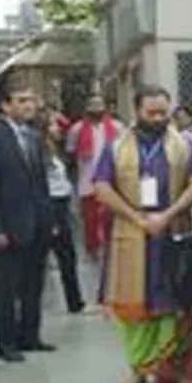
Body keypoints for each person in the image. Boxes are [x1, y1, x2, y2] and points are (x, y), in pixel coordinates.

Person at [92, 86, 192, 383]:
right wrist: (138, 218)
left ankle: (177, 370)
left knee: (177, 306)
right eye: (151, 113)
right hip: (131, 235)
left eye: (163, 112)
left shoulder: (186, 144)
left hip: (172, 233)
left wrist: (167, 215)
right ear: (137, 112)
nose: (158, 118)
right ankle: (138, 371)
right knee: (134, 309)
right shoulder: (115, 147)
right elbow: (101, 186)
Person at [0, 83, 54, 363]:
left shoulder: (34, 136)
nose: (28, 106)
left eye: (31, 100)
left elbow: (41, 182)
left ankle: (30, 336)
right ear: (6, 106)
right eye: (21, 101)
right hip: (7, 225)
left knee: (34, 283)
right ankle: (5, 342)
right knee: (7, 287)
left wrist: (50, 220)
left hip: (37, 222)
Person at [66, 94, 124, 262]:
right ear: (87, 108)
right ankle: (92, 250)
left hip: (112, 181)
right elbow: (70, 153)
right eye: (93, 105)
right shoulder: (76, 130)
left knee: (111, 217)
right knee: (90, 220)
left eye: (99, 105)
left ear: (105, 107)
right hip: (87, 180)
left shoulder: (117, 127)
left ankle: (112, 248)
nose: (96, 108)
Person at [41, 116, 85, 314]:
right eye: (53, 125)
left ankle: (75, 300)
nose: (57, 129)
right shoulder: (41, 153)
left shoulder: (54, 151)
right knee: (63, 253)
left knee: (69, 255)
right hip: (52, 205)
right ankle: (71, 300)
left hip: (62, 202)